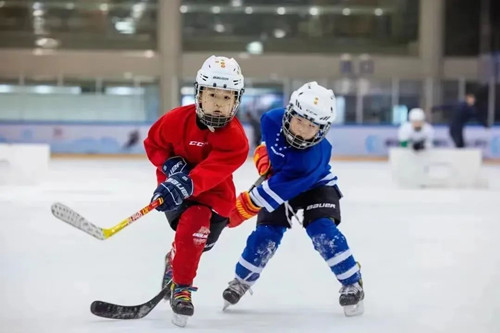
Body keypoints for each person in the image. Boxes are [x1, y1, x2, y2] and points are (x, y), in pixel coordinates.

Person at [222, 82, 364, 317]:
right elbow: (268, 145)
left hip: (316, 186)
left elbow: (265, 195)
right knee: (265, 235)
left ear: (322, 129)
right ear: (289, 113)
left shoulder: (310, 160)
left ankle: (352, 281)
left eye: (311, 126)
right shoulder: (271, 119)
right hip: (282, 180)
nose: (301, 130)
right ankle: (241, 280)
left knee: (322, 231)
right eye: (299, 120)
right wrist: (265, 159)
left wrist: (233, 214)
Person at [143, 55, 249, 326]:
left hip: (215, 197)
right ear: (199, 94)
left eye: (226, 98)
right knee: (194, 223)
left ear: (236, 100)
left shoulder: (236, 139)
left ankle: (175, 259)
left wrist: (187, 181)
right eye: (212, 94)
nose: (218, 103)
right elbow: (153, 144)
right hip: (176, 194)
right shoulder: (175, 119)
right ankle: (182, 289)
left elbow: (212, 171)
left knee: (201, 242)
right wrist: (168, 165)